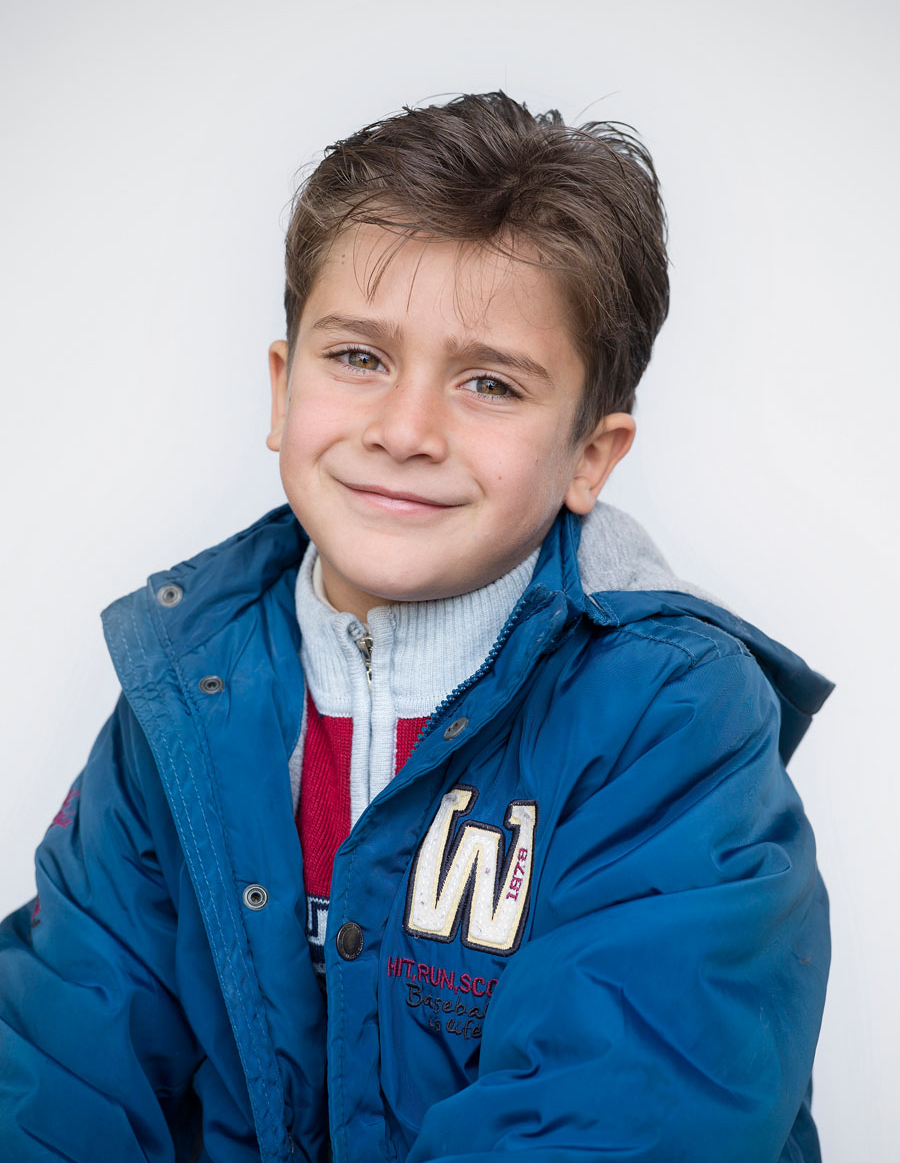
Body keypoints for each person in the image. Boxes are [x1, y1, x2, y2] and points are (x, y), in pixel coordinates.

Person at [0, 91, 833, 1162]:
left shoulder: (672, 721)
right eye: (359, 358)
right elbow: (62, 1061)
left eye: (490, 383)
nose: (404, 430)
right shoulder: (187, 700)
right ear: (282, 389)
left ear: (590, 455)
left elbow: (623, 1118)